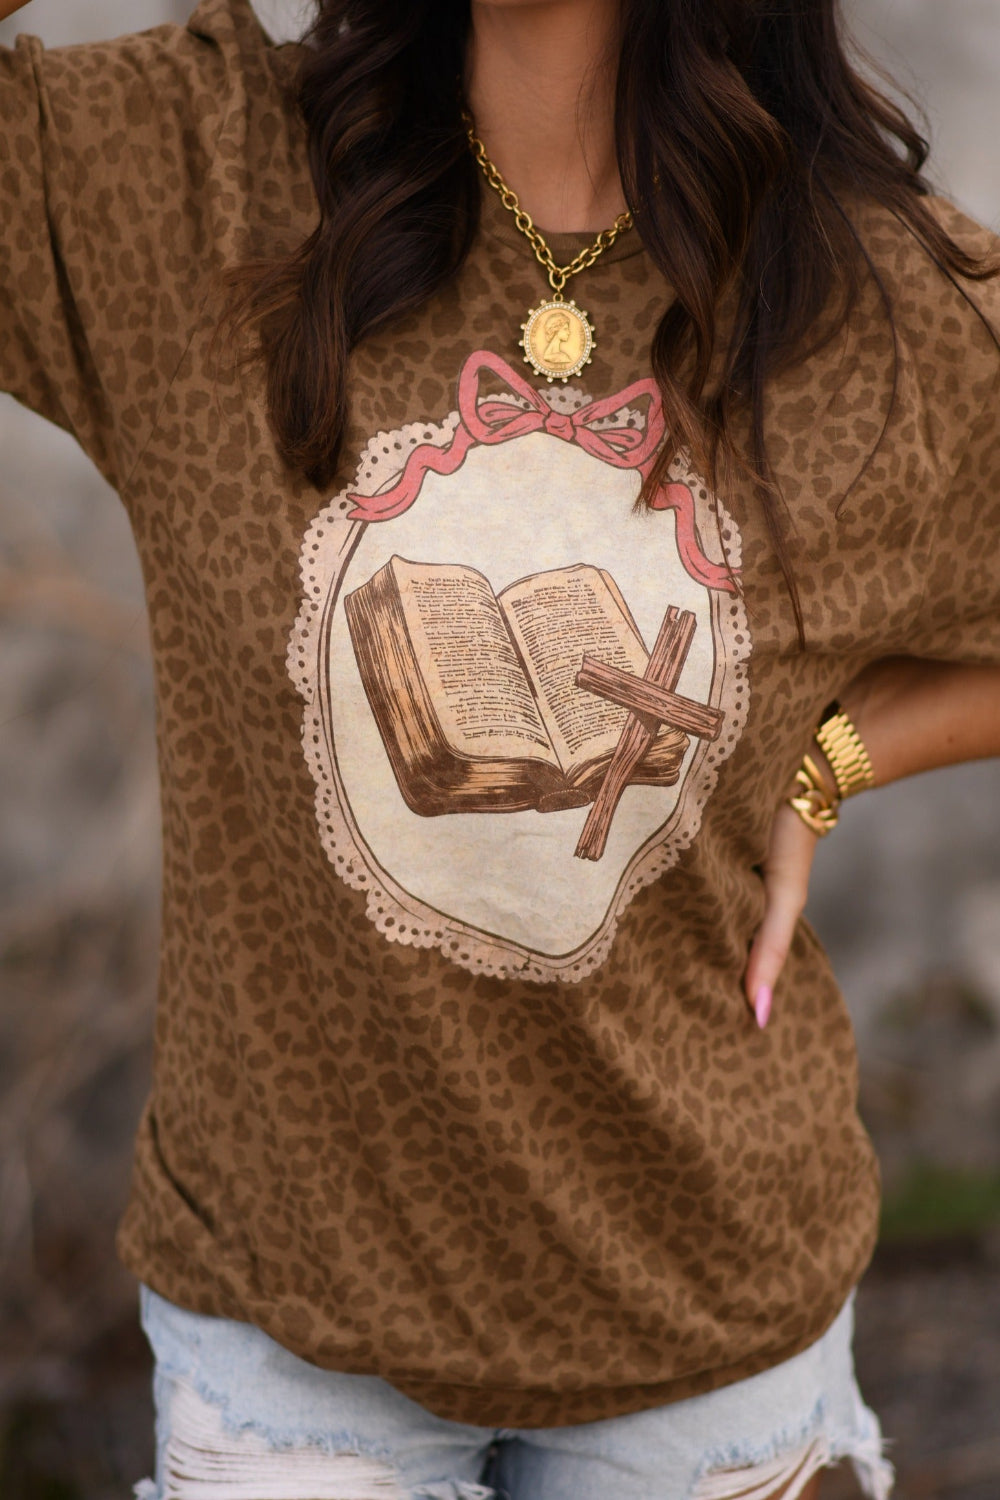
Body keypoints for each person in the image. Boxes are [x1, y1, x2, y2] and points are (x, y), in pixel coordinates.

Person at [2, 0, 999, 1496]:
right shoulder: (192, 174)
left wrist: (844, 753)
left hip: (700, 1336)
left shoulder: (876, 308)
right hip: (292, 1337)